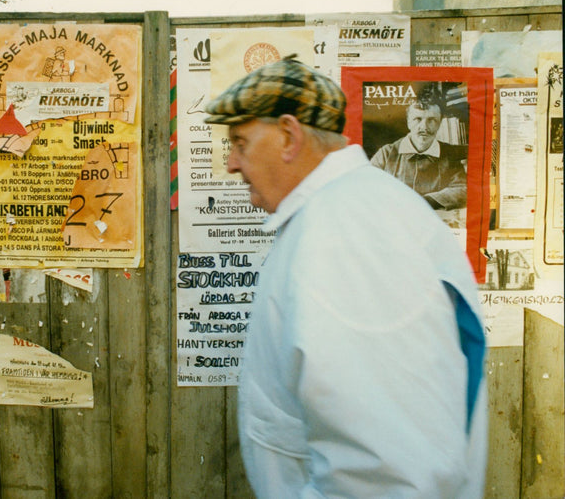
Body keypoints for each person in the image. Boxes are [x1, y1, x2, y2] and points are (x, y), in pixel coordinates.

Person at [204, 56, 487, 498]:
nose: (232, 164)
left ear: (288, 136)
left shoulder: (350, 232)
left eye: (239, 142)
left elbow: (389, 473)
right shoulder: (343, 212)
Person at [370, 86, 468, 210]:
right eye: (417, 119)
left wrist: (427, 201)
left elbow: (463, 189)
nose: (424, 128)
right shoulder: (386, 153)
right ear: (408, 122)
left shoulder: (450, 154)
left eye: (431, 120)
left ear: (440, 123)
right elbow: (367, 186)